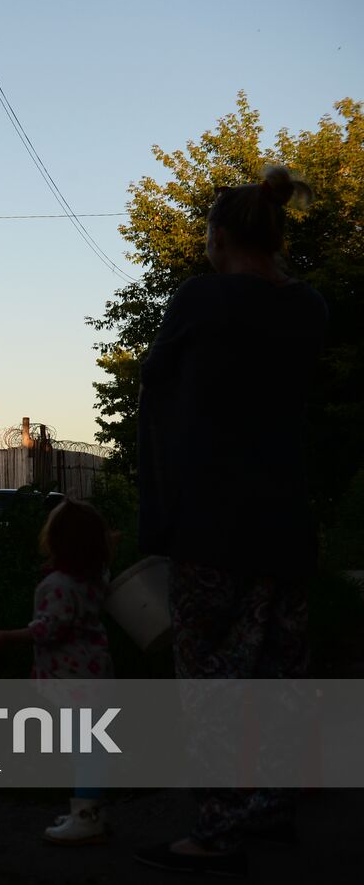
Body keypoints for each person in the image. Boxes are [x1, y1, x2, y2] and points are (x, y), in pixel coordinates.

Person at [133, 165, 328, 877]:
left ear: (218, 238)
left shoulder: (201, 300)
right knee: (278, 673)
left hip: (213, 522)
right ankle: (271, 811)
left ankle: (217, 831)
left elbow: (157, 383)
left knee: (210, 680)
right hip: (286, 519)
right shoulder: (309, 308)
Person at [0, 497, 115, 846]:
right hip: (95, 674)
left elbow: (49, 628)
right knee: (91, 749)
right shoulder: (96, 578)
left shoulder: (59, 584)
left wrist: (9, 636)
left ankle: (86, 818)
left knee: (85, 751)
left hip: (72, 682)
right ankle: (89, 812)